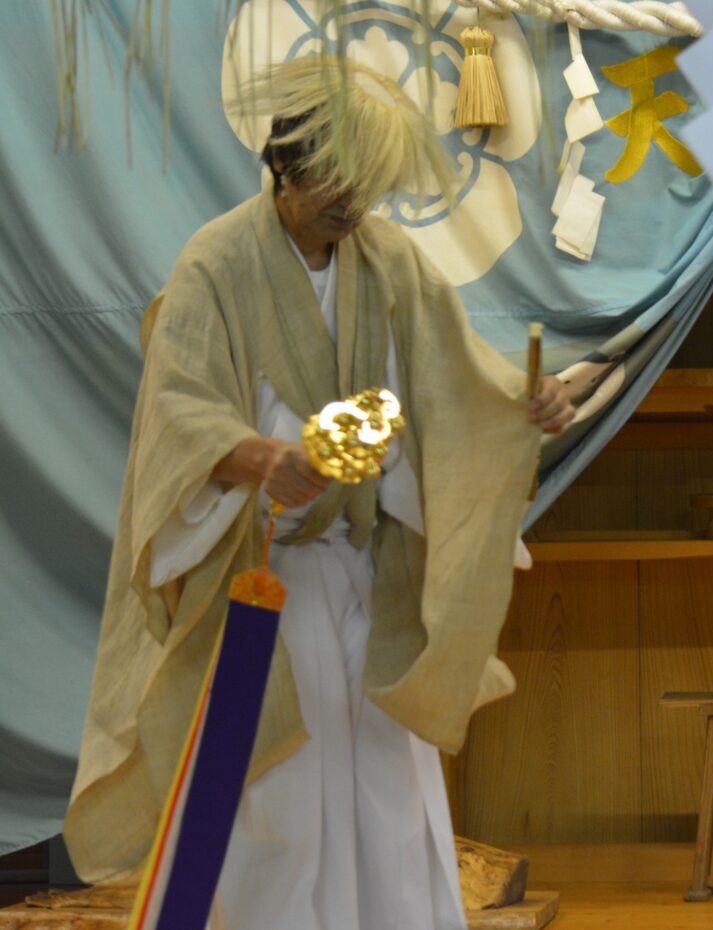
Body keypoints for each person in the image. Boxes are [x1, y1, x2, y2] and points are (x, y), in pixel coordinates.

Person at [64, 56, 574, 930]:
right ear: (284, 165)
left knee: (391, 788)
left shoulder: (387, 260)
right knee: (275, 808)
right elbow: (177, 416)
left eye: (367, 184)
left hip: (365, 573)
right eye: (334, 179)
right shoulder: (215, 262)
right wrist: (258, 457)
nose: (352, 202)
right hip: (262, 575)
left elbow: (455, 380)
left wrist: (531, 403)